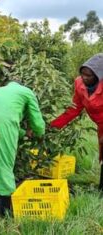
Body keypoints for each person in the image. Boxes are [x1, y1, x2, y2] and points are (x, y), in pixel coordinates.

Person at [0, 79, 45, 216]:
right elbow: (37, 123)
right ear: (21, 85)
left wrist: (23, 133)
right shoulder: (27, 92)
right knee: (4, 165)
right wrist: (40, 134)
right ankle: (3, 214)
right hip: (2, 124)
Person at [50, 53, 103, 190]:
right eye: (83, 74)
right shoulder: (79, 83)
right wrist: (53, 126)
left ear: (98, 75)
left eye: (88, 75)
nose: (84, 78)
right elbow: (74, 109)